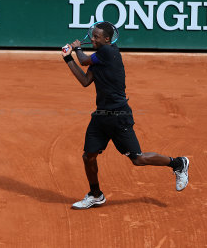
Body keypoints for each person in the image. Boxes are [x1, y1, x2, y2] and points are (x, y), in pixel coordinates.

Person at [61, 22, 189, 210]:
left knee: (138, 159)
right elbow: (85, 80)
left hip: (119, 116)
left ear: (107, 39)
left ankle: (178, 163)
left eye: (96, 37)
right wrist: (67, 59)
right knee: (88, 156)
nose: (94, 39)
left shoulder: (109, 52)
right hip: (100, 117)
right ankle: (96, 195)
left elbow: (83, 60)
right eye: (93, 36)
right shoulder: (98, 59)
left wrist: (76, 48)